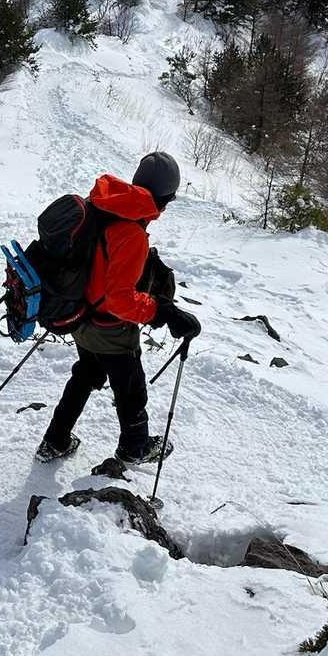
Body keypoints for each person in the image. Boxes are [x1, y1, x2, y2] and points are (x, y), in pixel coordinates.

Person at [36, 152, 201, 464]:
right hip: (109, 327)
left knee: (86, 374)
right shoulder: (132, 232)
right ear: (165, 200)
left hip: (80, 316)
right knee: (131, 389)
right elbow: (119, 301)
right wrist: (162, 311)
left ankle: (55, 440)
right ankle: (134, 447)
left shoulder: (103, 204)